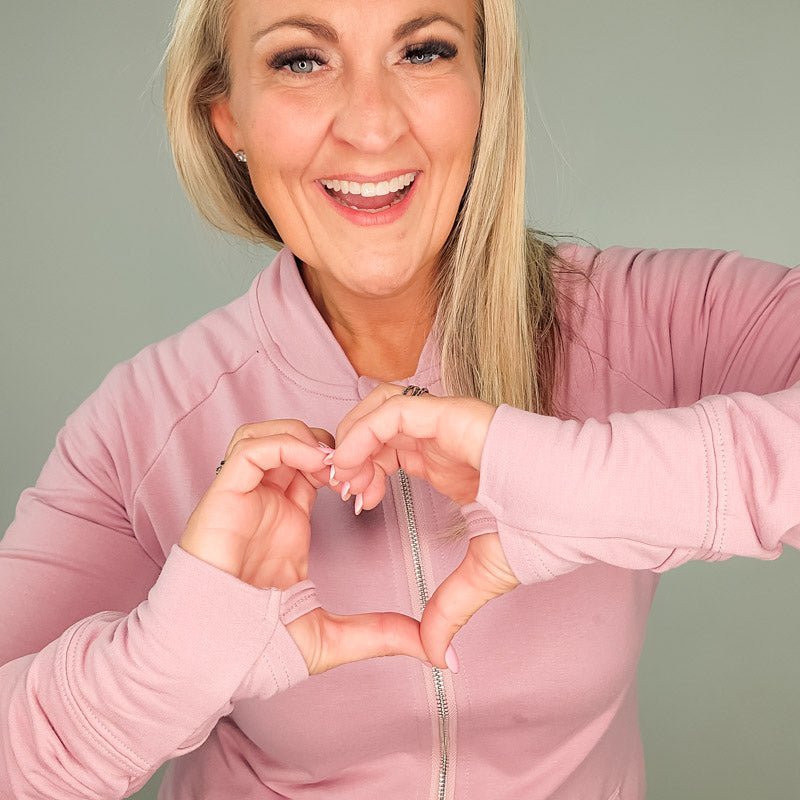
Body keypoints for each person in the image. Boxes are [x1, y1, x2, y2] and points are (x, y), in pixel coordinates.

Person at [1, 0, 798, 797]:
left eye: (422, 51)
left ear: (485, 88)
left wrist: (572, 475)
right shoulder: (142, 425)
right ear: (227, 115)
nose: (372, 126)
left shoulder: (639, 324)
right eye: (301, 61)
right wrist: (169, 663)